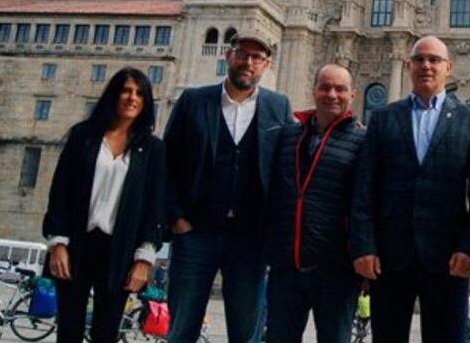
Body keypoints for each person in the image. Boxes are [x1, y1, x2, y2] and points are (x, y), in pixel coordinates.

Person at [350, 35, 470, 343]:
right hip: (390, 255)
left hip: (448, 258)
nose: (426, 65)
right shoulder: (384, 118)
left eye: (434, 60)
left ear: (448, 67)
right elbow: (365, 188)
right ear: (409, 65)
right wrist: (364, 246)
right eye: (420, 59)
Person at [163, 32, 294, 343]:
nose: (248, 62)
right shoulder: (193, 100)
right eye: (242, 54)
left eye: (257, 57)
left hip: (250, 240)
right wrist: (177, 219)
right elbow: (165, 164)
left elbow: (286, 170)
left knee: (246, 331)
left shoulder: (279, 107)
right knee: (181, 327)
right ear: (228, 56)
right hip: (195, 233)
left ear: (267, 65)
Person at [43, 67, 166, 343]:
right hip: (76, 243)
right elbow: (60, 191)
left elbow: (154, 207)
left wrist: (144, 259)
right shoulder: (82, 136)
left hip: (119, 248)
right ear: (113, 94)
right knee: (68, 330)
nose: (131, 98)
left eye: (138, 93)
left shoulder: (153, 149)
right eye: (126, 90)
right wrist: (58, 243)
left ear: (146, 101)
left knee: (107, 332)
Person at [264, 63, 365, 343]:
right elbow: (272, 194)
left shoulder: (363, 142)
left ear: (352, 95)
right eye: (325, 87)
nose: (332, 94)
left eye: (340, 89)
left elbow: (366, 206)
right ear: (314, 90)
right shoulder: (287, 136)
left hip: (338, 271)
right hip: (287, 267)